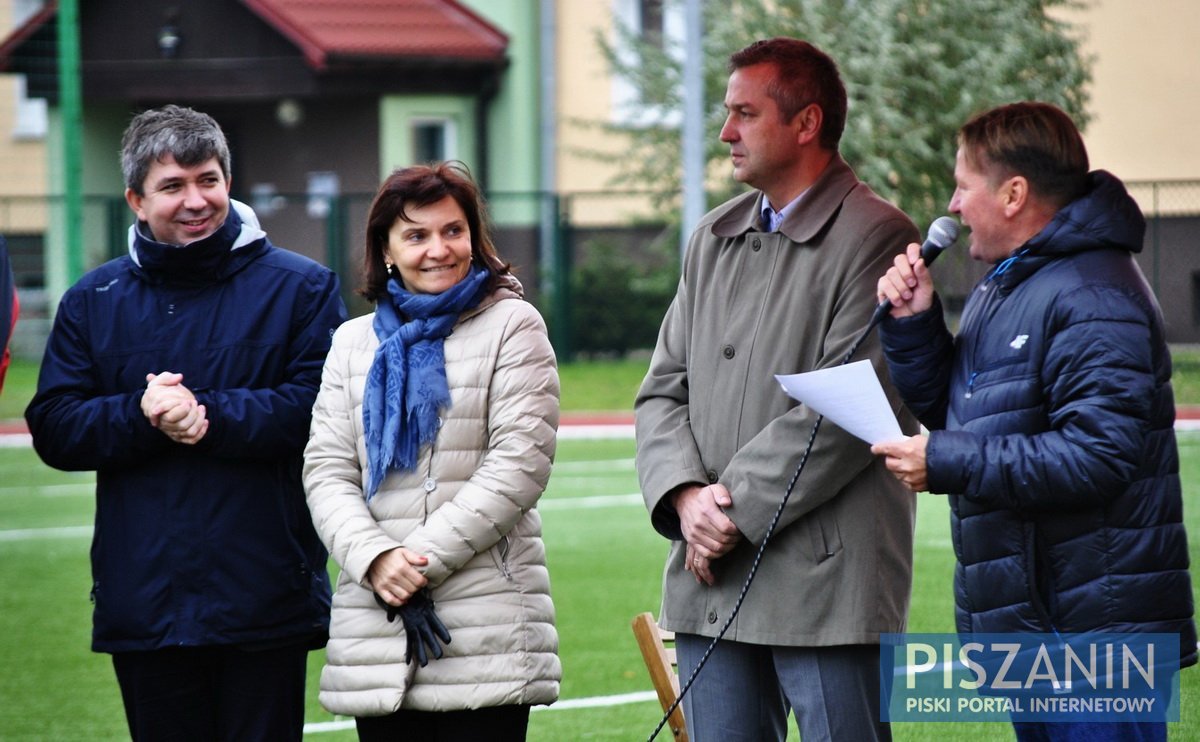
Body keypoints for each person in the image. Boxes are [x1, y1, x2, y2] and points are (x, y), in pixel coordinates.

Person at [871, 102, 1196, 741]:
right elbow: (967, 414)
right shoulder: (1011, 284)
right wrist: (914, 324)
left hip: (1096, 635)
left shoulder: (1092, 293)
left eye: (964, 186)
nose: (954, 207)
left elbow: (1099, 456)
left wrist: (945, 461)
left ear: (1015, 193)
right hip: (1037, 620)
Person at [25, 105, 347, 741]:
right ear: (136, 201)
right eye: (173, 186)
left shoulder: (301, 288)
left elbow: (322, 411)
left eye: (208, 180)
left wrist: (210, 415)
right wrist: (139, 415)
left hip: (264, 593)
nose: (196, 200)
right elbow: (55, 426)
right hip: (145, 598)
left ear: (229, 180)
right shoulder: (92, 301)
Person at [634, 37, 921, 741]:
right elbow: (661, 391)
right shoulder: (712, 237)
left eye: (744, 113)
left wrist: (724, 515)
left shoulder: (876, 235)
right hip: (712, 583)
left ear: (806, 123)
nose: (726, 132)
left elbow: (847, 412)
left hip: (827, 586)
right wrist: (684, 497)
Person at [303, 162, 560, 741]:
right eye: (416, 235)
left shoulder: (513, 324)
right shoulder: (351, 342)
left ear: (474, 238)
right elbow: (326, 469)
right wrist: (374, 560)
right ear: (387, 251)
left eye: (453, 231)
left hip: (484, 626)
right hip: (378, 625)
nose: (438, 249)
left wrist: (410, 565)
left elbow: (519, 465)